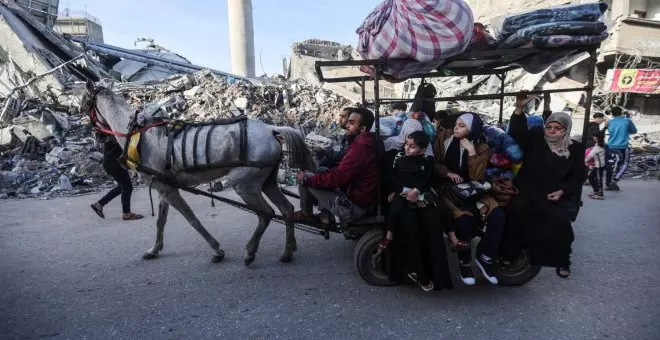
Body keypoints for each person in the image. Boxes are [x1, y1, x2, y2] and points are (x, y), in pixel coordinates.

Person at [501, 95, 586, 279]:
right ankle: (510, 256)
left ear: (566, 129)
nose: (552, 131)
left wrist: (562, 191)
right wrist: (518, 110)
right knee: (514, 215)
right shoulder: (536, 138)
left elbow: (578, 175)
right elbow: (517, 134)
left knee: (561, 223)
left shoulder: (575, 148)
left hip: (553, 193)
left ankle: (562, 261)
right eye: (549, 127)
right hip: (527, 190)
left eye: (557, 128)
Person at [433, 112, 505, 286]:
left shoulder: (481, 146)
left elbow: (477, 176)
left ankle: (485, 257)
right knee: (463, 219)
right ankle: (464, 262)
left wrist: (472, 152)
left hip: (474, 190)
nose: (456, 128)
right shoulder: (444, 138)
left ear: (472, 129)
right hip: (449, 190)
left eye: (462, 125)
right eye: (456, 124)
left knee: (498, 216)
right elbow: (434, 162)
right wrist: (447, 173)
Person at [289, 107, 378, 226]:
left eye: (351, 123)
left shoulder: (361, 147)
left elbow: (339, 177)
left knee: (306, 177)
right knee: (317, 173)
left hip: (355, 206)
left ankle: (308, 214)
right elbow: (342, 169)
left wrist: (307, 179)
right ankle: (317, 213)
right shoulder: (363, 141)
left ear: (362, 128)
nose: (347, 125)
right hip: (355, 194)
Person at [379, 131, 436, 291]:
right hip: (402, 196)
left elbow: (425, 180)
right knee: (400, 216)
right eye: (406, 144)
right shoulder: (398, 157)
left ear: (423, 149)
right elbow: (394, 177)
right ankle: (389, 237)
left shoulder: (427, 161)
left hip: (420, 197)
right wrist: (399, 191)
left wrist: (416, 191)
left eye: (412, 146)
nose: (407, 148)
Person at [90, 138, 143, 221]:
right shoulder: (117, 133)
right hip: (115, 164)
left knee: (122, 187)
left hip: (112, 162)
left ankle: (99, 204)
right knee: (127, 187)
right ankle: (126, 213)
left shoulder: (113, 133)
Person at [604, 106, 637, 191]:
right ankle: (615, 180)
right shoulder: (627, 121)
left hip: (610, 146)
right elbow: (634, 131)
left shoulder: (609, 122)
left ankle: (608, 184)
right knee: (624, 164)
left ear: (612, 113)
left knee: (610, 165)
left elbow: (607, 130)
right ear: (621, 113)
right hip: (622, 147)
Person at [585, 132, 606, 200]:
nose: (593, 138)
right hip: (597, 165)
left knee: (599, 180)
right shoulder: (601, 145)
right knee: (591, 177)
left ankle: (600, 194)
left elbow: (590, 155)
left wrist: (586, 161)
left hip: (599, 166)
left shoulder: (598, 147)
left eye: (594, 137)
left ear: (597, 138)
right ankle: (596, 191)